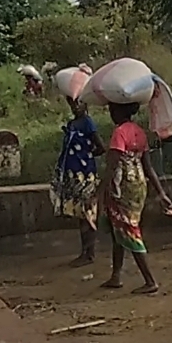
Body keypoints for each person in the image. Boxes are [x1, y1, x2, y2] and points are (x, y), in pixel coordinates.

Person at [99, 102, 172, 296]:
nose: (111, 113)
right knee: (119, 228)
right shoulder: (139, 132)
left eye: (112, 109)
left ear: (119, 111)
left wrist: (100, 192)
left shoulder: (119, 133)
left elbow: (112, 167)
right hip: (138, 185)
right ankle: (116, 275)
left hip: (122, 187)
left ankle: (149, 280)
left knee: (128, 230)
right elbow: (149, 168)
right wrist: (161, 193)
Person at [50, 97, 104, 266]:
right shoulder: (72, 124)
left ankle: (89, 253)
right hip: (73, 175)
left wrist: (86, 156)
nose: (75, 106)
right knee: (80, 214)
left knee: (87, 213)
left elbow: (101, 147)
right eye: (73, 103)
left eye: (79, 103)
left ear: (85, 104)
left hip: (85, 175)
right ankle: (85, 251)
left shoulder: (88, 123)